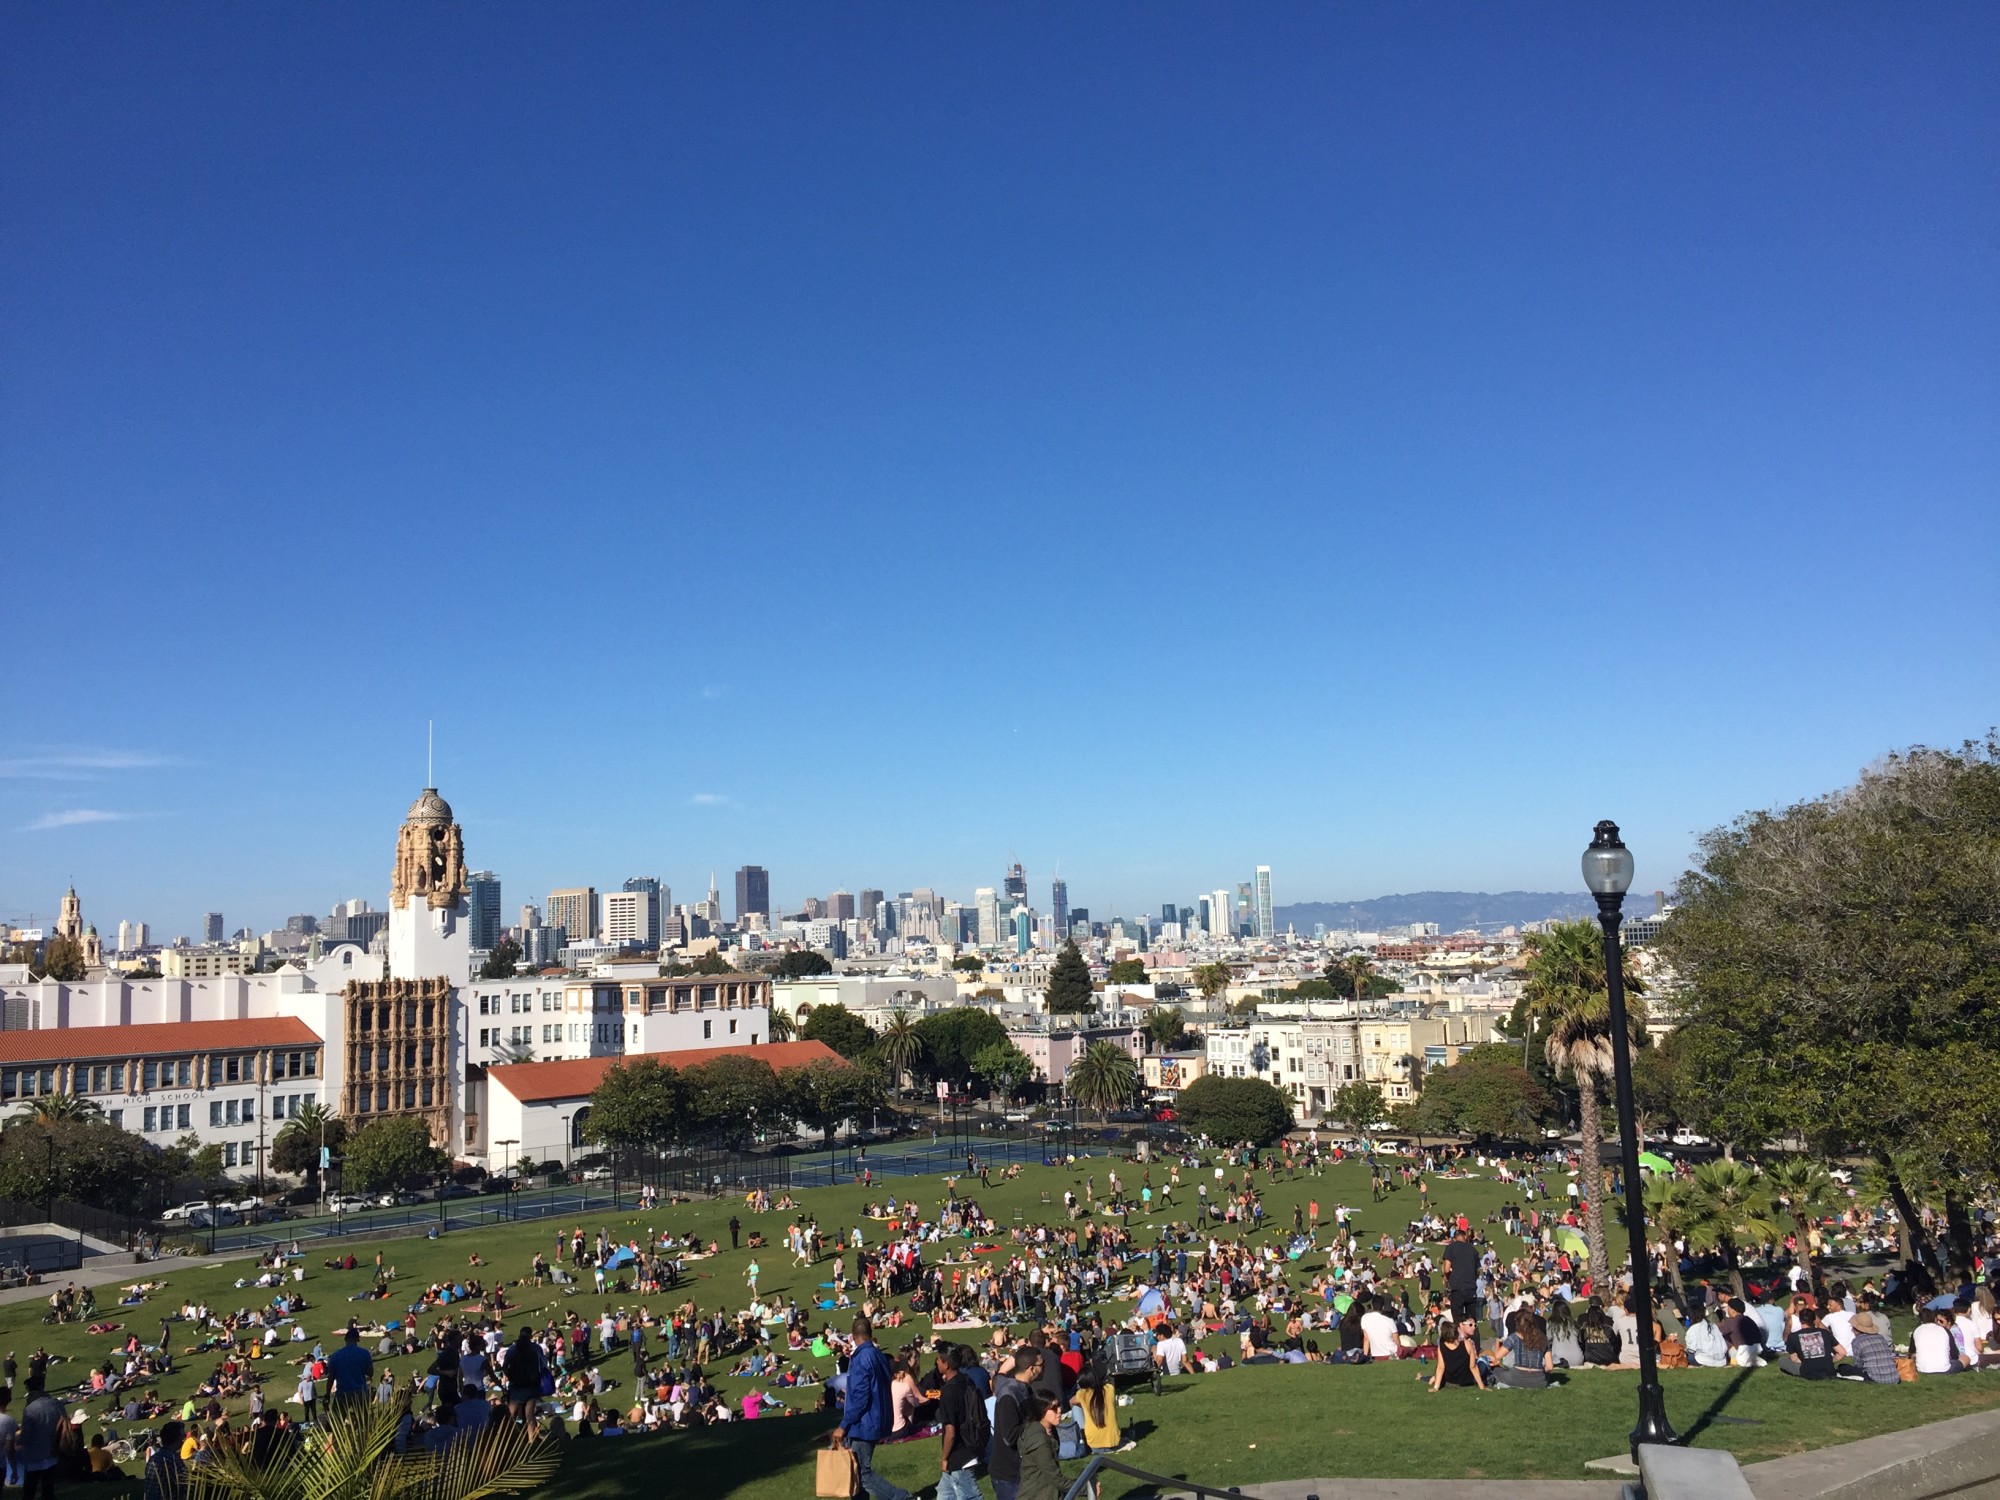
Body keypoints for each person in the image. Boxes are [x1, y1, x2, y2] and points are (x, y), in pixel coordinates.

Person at [830, 1317, 911, 1500]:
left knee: (862, 1474)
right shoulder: (878, 1355)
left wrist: (844, 1425)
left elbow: (860, 1397)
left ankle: (901, 1497)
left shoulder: (861, 1358)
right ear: (871, 1333)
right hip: (878, 1417)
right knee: (856, 1474)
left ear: (852, 1336)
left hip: (864, 1422)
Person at [989, 1345, 1042, 1500]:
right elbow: (1010, 1436)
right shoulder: (1009, 1396)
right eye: (1041, 1365)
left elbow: (1000, 1374)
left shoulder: (1023, 1388)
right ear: (1032, 1369)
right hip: (1009, 1474)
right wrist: (1039, 1425)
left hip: (1023, 1469)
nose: (1044, 1367)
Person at [934, 1345, 986, 1500]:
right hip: (972, 1441)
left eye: (938, 1359)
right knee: (945, 1493)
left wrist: (944, 1458)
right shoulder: (965, 1379)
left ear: (946, 1364)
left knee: (969, 1496)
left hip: (959, 1454)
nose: (936, 1362)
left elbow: (950, 1431)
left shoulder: (949, 1392)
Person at [1070, 1355, 1128, 1455]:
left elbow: (1071, 1402)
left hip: (1093, 1445)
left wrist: (1084, 1407)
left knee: (1075, 1408)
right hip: (1113, 1442)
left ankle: (1077, 1438)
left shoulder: (1082, 1394)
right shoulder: (1110, 1389)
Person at [19, 1377, 65, 1500]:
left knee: (29, 1491)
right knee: (48, 1491)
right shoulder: (56, 1403)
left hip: (34, 1456)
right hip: (53, 1452)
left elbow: (25, 1436)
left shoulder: (30, 1409)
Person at [1015, 1393, 1063, 1500]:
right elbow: (1056, 1478)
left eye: (1059, 1405)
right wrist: (1085, 1487)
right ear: (1042, 1411)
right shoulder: (1040, 1442)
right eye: (1054, 1408)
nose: (1059, 1410)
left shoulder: (1045, 1431)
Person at [1780, 1306, 1838, 1380]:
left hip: (1807, 1371)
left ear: (1800, 1320)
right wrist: (1828, 1361)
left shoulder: (1793, 1336)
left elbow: (1794, 1359)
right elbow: (1842, 1352)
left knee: (1782, 1360)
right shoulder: (1825, 1333)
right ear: (1814, 1320)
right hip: (1828, 1369)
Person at [1846, 1312, 1902, 1385]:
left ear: (1856, 1329)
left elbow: (1858, 1364)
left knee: (1844, 1368)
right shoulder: (1880, 1337)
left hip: (1875, 1377)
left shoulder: (1857, 1341)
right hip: (1894, 1377)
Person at [1429, 1321, 1485, 1391]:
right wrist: (1482, 1387)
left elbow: (1440, 1367)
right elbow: (1473, 1367)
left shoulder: (1442, 1346)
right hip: (1466, 1381)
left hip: (1449, 1380)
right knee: (1482, 1364)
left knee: (1429, 1377)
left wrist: (1436, 1387)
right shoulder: (1467, 1344)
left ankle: (1423, 1377)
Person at [502, 1327, 544, 1420]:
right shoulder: (536, 1349)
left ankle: (511, 1433)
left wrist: (510, 1377)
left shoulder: (512, 1350)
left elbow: (504, 1367)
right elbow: (542, 1366)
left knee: (512, 1415)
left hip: (516, 1385)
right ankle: (531, 1434)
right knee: (530, 1416)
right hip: (531, 1385)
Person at [1442, 1227, 1480, 1325]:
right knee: (1471, 1321)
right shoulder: (1473, 1249)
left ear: (1454, 1238)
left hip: (1457, 1287)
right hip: (1471, 1288)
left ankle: (1460, 1339)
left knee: (1458, 1320)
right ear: (1465, 1237)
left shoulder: (1451, 1247)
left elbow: (1446, 1269)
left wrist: (1447, 1278)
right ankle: (1474, 1338)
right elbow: (1477, 1271)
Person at [326, 1328, 373, 1404]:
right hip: (359, 1392)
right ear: (357, 1339)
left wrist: (327, 1394)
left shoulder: (336, 1355)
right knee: (362, 1415)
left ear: (345, 1339)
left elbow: (331, 1377)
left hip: (342, 1392)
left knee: (338, 1415)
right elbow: (370, 1372)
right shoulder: (364, 1353)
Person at [1912, 1308, 1963, 1376]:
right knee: (1965, 1359)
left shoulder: (1916, 1331)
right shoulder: (1945, 1330)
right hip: (1944, 1369)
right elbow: (1954, 1355)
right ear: (1935, 1319)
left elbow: (1911, 1352)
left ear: (1921, 1320)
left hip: (1922, 1369)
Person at [142, 1423, 186, 1500]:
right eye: (183, 1435)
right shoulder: (173, 1458)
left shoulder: (153, 1458)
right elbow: (186, 1482)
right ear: (176, 1438)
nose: (184, 1438)